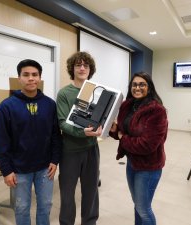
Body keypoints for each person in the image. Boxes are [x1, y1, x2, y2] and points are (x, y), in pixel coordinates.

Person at [0, 59, 62, 225]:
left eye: (34, 74)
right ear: (19, 78)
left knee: (45, 205)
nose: (31, 78)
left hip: (45, 168)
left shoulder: (50, 104)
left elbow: (55, 135)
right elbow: (1, 141)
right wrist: (6, 170)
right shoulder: (7, 106)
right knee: (22, 208)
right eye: (26, 75)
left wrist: (55, 159)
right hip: (19, 170)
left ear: (39, 78)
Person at [109, 72, 168, 225]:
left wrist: (123, 137)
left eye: (142, 84)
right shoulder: (128, 105)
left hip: (149, 167)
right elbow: (122, 131)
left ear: (149, 87)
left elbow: (147, 145)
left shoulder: (157, 110)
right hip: (132, 162)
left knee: (143, 208)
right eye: (134, 84)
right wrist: (114, 130)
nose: (137, 88)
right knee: (138, 205)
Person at [56, 51, 102, 225]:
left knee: (91, 192)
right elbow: (62, 123)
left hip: (91, 149)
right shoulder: (64, 94)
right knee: (67, 194)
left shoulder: (95, 91)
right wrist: (81, 132)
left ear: (90, 69)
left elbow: (99, 117)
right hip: (70, 151)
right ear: (72, 68)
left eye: (86, 65)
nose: (82, 68)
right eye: (78, 65)